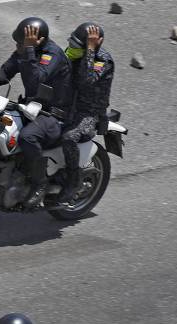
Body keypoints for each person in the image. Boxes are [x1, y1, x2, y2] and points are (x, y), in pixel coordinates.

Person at [0, 17, 73, 208]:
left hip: (54, 116)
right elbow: (6, 71)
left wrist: (28, 50)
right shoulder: (25, 51)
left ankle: (39, 184)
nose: (17, 46)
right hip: (31, 109)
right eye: (18, 43)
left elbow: (35, 81)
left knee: (27, 137)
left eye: (20, 42)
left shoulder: (52, 55)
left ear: (37, 41)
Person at [59, 23, 114, 204]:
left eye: (78, 46)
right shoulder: (76, 53)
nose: (73, 49)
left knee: (68, 137)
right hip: (68, 106)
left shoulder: (102, 60)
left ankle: (73, 181)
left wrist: (90, 49)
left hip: (89, 113)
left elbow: (87, 80)